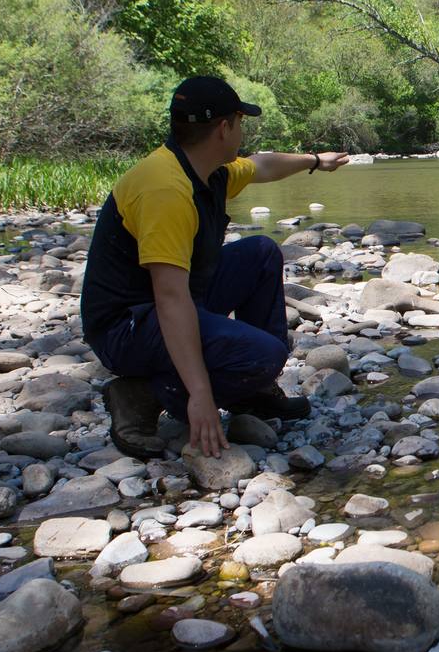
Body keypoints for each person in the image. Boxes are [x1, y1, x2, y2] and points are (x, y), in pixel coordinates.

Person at [81, 76, 349, 460]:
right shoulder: (166, 190)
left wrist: (315, 162)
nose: (242, 132)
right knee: (265, 355)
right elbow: (170, 299)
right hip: (126, 327)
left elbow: (261, 166)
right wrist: (201, 394)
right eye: (241, 122)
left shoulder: (205, 169)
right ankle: (141, 394)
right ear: (224, 128)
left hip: (163, 305)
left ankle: (253, 393)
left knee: (260, 252)